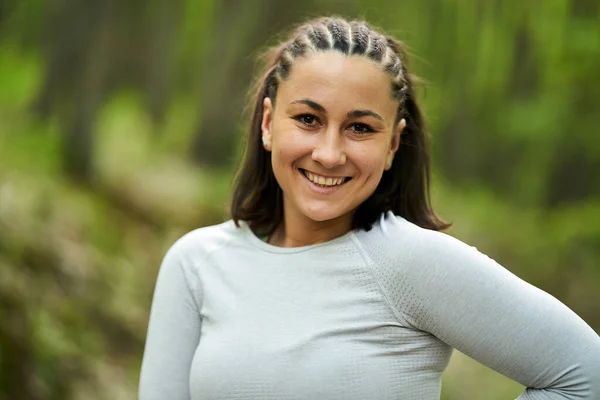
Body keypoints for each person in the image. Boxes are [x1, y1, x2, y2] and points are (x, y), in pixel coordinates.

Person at [138, 17, 600, 399]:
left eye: (359, 128)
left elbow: (587, 375)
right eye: (307, 119)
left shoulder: (412, 263)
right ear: (267, 123)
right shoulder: (195, 263)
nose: (329, 152)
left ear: (394, 143)